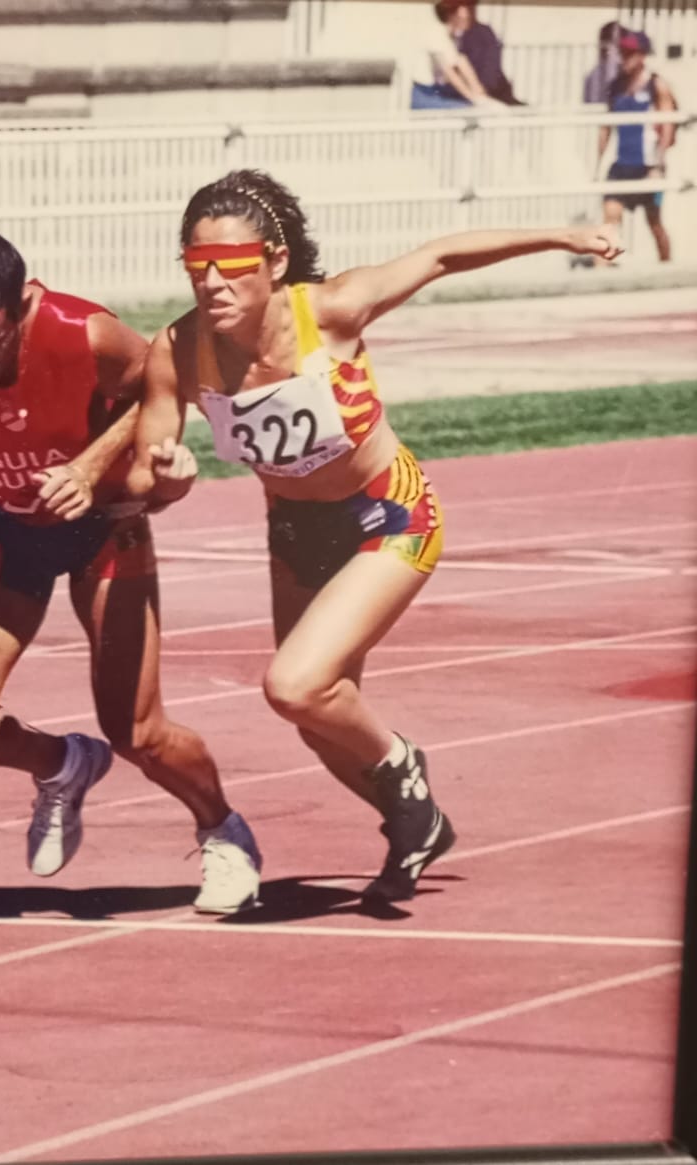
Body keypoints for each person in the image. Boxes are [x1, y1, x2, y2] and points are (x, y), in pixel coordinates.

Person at [129, 170, 620, 903]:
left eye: (231, 268)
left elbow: (442, 256)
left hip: (389, 514)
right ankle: (414, 820)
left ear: (274, 263)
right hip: (296, 531)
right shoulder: (179, 349)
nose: (212, 285)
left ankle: (403, 769)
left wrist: (563, 235)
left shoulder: (332, 309)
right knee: (318, 719)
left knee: (294, 685)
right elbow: (149, 472)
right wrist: (169, 472)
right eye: (196, 268)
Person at [0, 230, 262, 913]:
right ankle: (62, 764)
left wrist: (87, 466)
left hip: (102, 527)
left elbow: (160, 388)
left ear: (26, 306)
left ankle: (224, 829)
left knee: (138, 733)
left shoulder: (86, 334)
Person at [597, 30, 678, 263]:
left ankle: (667, 268)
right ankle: (599, 273)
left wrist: (659, 164)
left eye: (630, 53)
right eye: (622, 52)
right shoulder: (616, 86)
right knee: (609, 220)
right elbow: (606, 126)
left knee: (654, 223)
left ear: (642, 55)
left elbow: (667, 125)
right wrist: (598, 163)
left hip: (648, 165)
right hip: (621, 165)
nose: (624, 58)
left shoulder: (656, 85)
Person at [406, 1, 504, 111]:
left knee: (492, 108)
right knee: (470, 111)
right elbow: (449, 73)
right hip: (425, 95)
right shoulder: (436, 33)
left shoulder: (453, 36)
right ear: (452, 13)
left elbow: (462, 62)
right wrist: (473, 98)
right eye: (465, 10)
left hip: (438, 92)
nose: (469, 14)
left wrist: (479, 91)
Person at [440, 1, 522, 105]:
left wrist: (480, 91)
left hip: (489, 90)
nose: (467, 12)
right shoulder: (447, 34)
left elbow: (490, 69)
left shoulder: (483, 32)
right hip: (465, 91)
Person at [583, 21, 623, 105]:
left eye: (612, 41)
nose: (607, 46)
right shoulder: (592, 76)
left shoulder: (626, 73)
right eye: (604, 40)